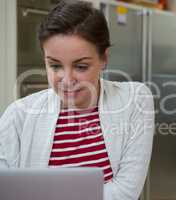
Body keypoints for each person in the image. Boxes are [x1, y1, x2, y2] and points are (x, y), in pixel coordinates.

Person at [0, 1, 154, 200]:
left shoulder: (135, 101)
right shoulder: (17, 116)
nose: (67, 80)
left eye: (81, 66)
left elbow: (124, 192)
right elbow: (7, 191)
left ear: (104, 59)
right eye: (55, 66)